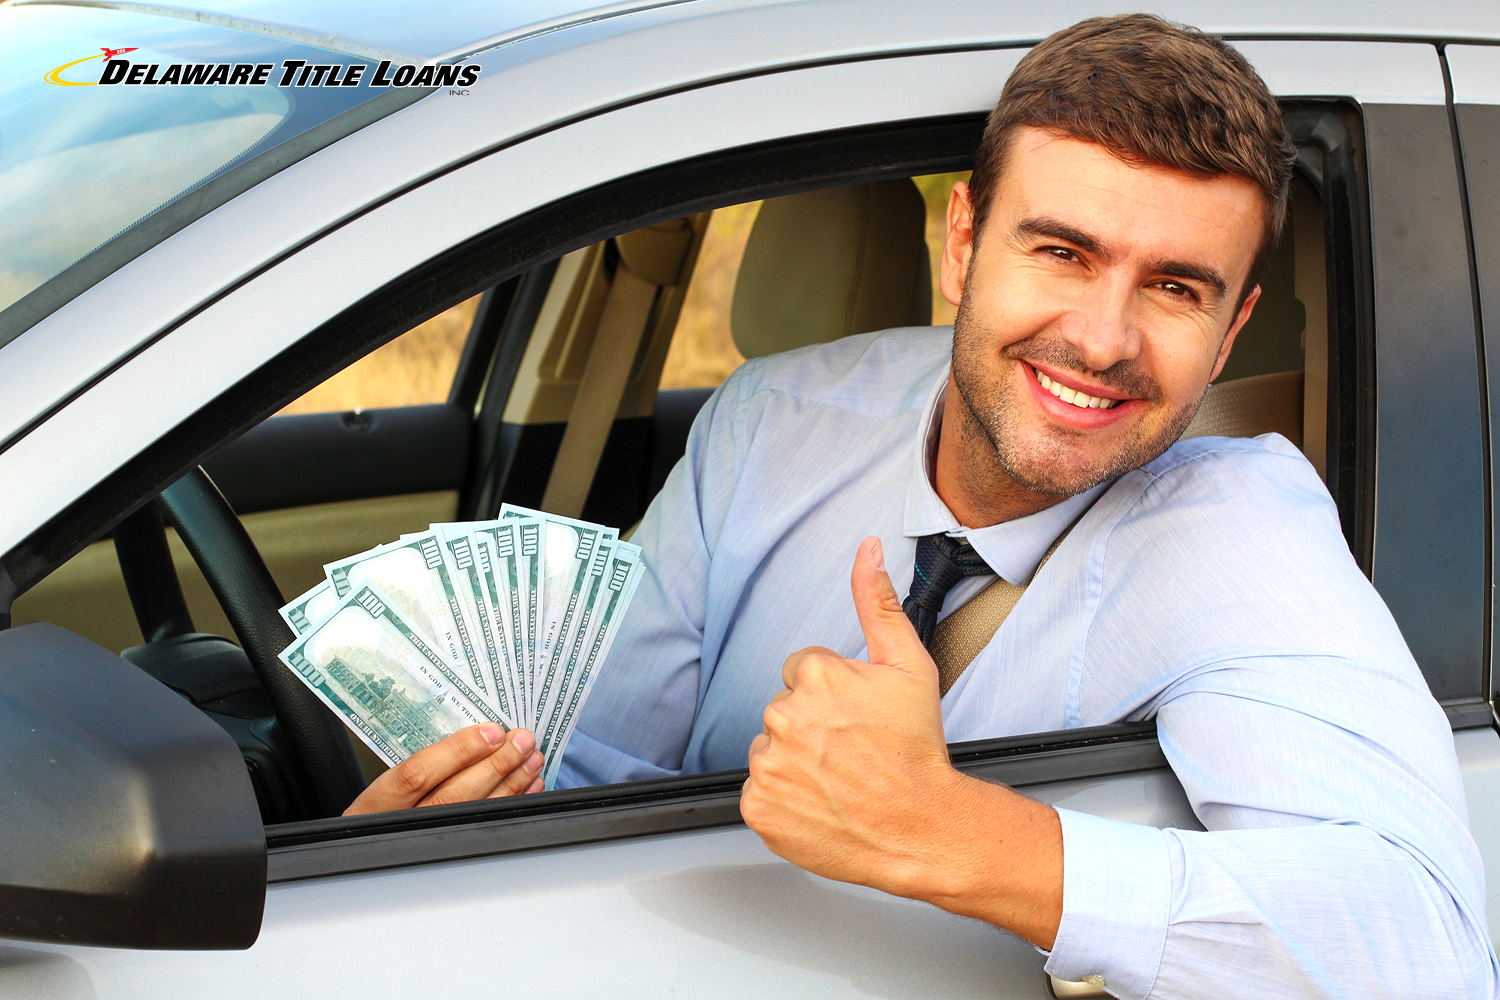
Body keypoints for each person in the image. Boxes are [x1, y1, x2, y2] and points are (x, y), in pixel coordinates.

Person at [345, 14, 1500, 997]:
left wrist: (956, 834)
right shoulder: (776, 421)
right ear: (963, 243)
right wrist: (443, 827)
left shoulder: (1237, 531)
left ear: (1234, 327)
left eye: (1176, 287)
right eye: (1061, 251)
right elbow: (592, 762)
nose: (1101, 339)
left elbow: (1429, 948)